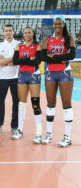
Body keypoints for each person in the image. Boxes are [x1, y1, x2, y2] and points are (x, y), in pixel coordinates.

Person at [41, 16, 76, 147]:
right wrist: (60, 57)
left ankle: (67, 136)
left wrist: (52, 56)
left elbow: (71, 56)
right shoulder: (47, 39)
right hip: (50, 72)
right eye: (55, 23)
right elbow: (42, 57)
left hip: (64, 73)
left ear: (63, 25)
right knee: (50, 103)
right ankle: (49, 134)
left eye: (59, 23)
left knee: (66, 103)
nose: (57, 26)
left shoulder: (69, 39)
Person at [12, 27, 42, 143]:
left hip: (34, 75)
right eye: (25, 32)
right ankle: (19, 130)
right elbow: (15, 61)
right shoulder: (19, 46)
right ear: (23, 35)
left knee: (35, 104)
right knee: (21, 104)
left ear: (33, 34)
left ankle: (38, 133)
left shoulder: (37, 46)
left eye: (29, 32)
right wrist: (30, 58)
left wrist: (23, 59)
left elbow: (37, 61)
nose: (27, 34)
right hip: (22, 75)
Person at [0, 24, 20, 136]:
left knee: (16, 103)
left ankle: (15, 126)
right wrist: (13, 59)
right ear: (3, 32)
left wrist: (7, 61)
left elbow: (20, 60)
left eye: (10, 30)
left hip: (16, 77)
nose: (8, 32)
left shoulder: (19, 45)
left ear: (13, 32)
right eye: (6, 30)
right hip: (3, 78)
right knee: (0, 102)